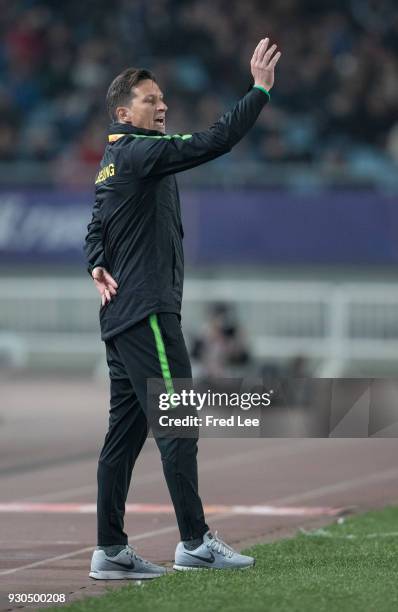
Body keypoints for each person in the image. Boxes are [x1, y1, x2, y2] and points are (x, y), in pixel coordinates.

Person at [84, 37, 281, 579]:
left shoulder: (111, 160)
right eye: (151, 100)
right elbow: (216, 140)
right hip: (147, 311)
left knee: (124, 433)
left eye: (163, 96)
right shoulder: (142, 152)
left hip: (123, 316)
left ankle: (110, 549)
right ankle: (195, 541)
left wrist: (94, 262)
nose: (162, 105)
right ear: (125, 112)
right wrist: (259, 90)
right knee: (178, 422)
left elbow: (96, 225)